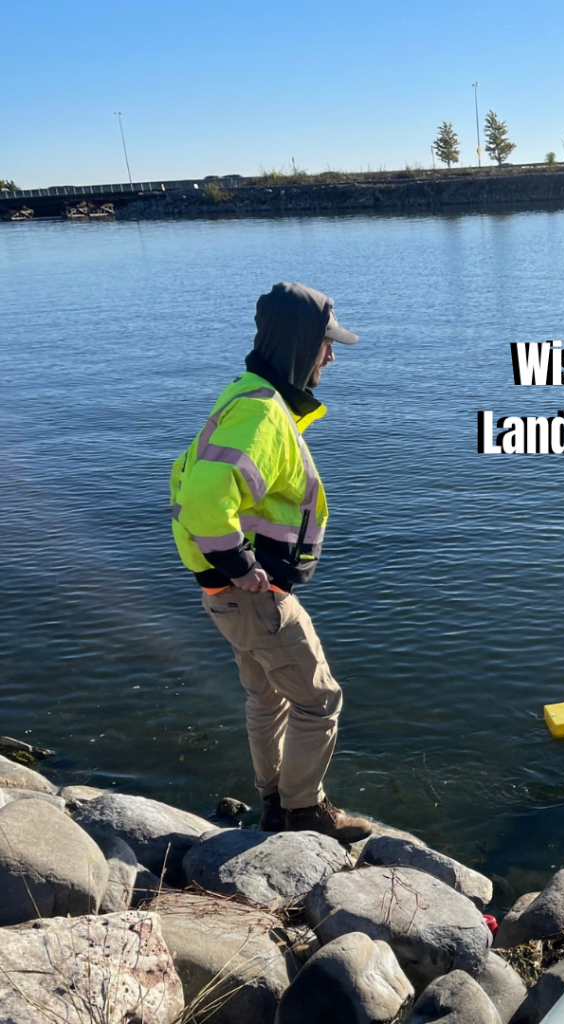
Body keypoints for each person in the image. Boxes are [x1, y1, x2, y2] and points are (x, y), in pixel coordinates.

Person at [170, 282, 371, 843]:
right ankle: (305, 809)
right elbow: (206, 495)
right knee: (320, 700)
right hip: (256, 598)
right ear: (299, 344)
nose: (331, 355)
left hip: (228, 599)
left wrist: (228, 573)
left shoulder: (247, 394)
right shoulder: (260, 413)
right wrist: (240, 565)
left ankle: (272, 804)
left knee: (266, 696)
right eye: (325, 343)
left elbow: (191, 483)